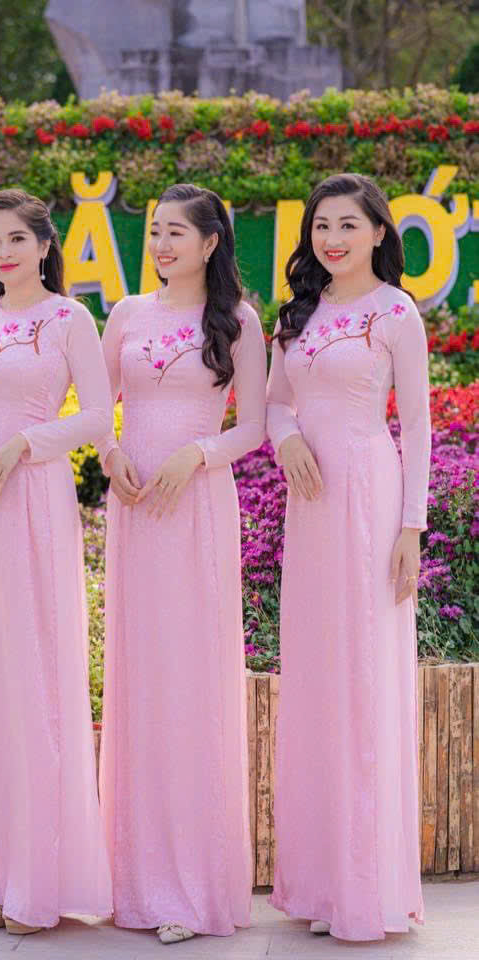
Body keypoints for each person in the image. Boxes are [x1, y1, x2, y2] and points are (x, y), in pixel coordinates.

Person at [0, 189, 113, 935]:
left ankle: (40, 882)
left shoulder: (70, 319)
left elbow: (96, 416)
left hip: (35, 500)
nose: (2, 252)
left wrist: (22, 444)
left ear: (44, 245)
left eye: (16, 239)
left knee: (37, 679)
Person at [98, 184, 266, 944]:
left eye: (176, 232)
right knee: (140, 682)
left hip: (195, 510)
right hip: (135, 512)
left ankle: (189, 892)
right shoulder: (127, 315)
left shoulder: (238, 321)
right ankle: (132, 883)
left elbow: (252, 428)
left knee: (191, 683)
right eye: (155, 232)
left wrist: (195, 455)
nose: (162, 245)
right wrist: (109, 455)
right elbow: (95, 406)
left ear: (210, 242)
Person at [266, 173, 430, 941]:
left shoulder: (395, 312)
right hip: (310, 507)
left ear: (377, 233)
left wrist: (410, 529)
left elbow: (418, 427)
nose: (331, 239)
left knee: (363, 677)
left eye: (347, 225)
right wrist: (287, 439)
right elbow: (275, 403)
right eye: (321, 226)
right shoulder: (297, 313)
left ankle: (367, 886)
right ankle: (320, 885)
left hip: (369, 496)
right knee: (316, 678)